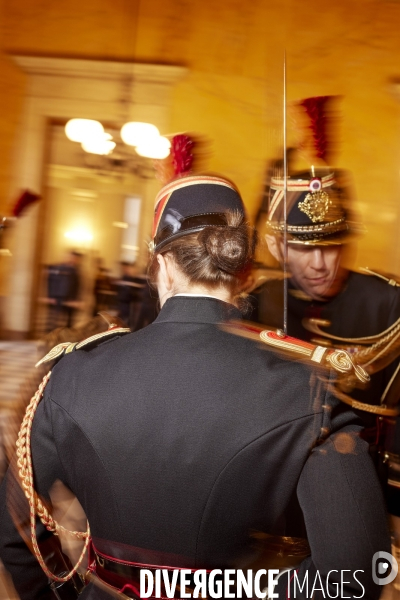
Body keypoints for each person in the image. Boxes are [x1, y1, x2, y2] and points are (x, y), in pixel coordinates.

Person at [0, 174, 390, 600]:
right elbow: (357, 576)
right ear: (243, 271)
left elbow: (18, 538)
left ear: (162, 264)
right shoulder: (311, 391)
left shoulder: (70, 374)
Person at [250, 167, 400, 519]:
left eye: (331, 247)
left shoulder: (387, 303)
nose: (320, 264)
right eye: (304, 247)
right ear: (277, 246)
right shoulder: (260, 302)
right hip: (271, 492)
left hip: (359, 490)